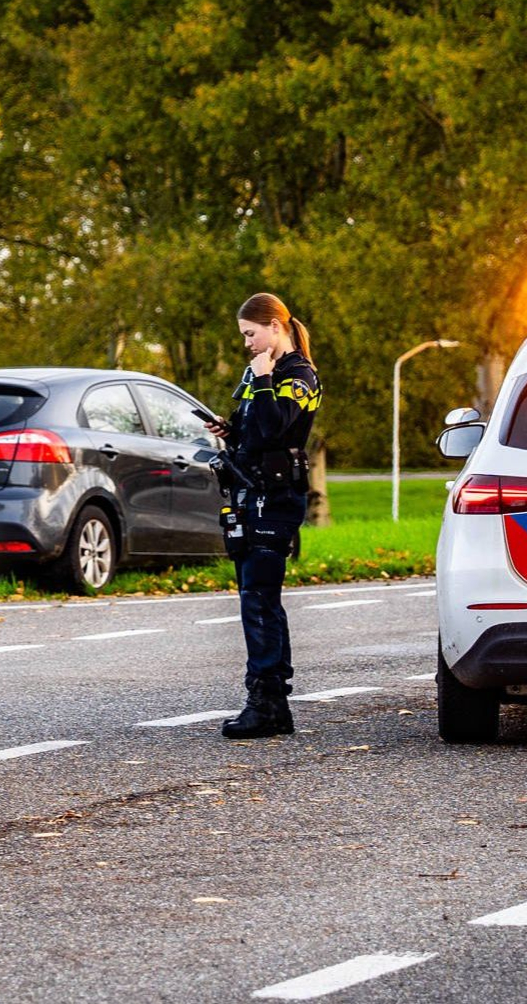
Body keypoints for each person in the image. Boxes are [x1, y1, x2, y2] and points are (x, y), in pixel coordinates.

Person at [202, 292, 320, 739]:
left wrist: (266, 378)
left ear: (275, 326)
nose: (248, 343)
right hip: (251, 495)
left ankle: (267, 703)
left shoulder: (297, 375)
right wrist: (228, 429)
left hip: (276, 499)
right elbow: (256, 432)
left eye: (251, 333)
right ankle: (272, 701)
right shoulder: (260, 376)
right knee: (258, 597)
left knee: (259, 599)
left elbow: (278, 427)